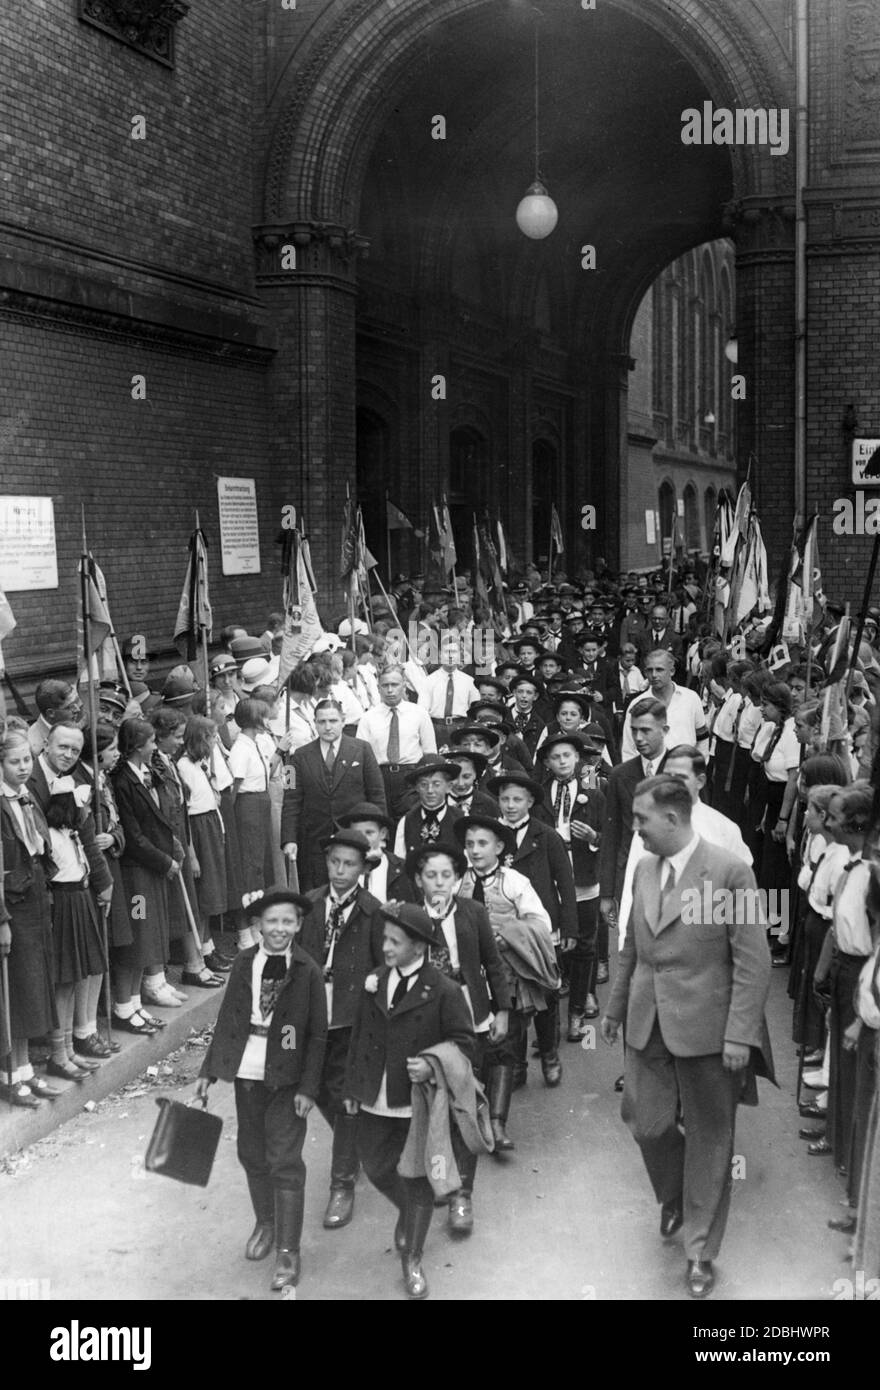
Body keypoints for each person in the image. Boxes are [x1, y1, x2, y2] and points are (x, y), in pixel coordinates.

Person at [602, 775, 773, 1299]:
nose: (636, 829)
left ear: (673, 819)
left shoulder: (729, 873)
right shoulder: (645, 871)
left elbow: (752, 961)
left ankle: (699, 1251)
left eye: (641, 820)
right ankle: (675, 1195)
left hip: (710, 1030)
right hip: (646, 1019)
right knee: (646, 1123)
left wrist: (740, 1033)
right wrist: (613, 1008)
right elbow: (631, 946)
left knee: (710, 1138)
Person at [196, 886, 327, 1292]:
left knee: (284, 1159)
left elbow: (317, 1036)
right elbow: (229, 1018)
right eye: (271, 921)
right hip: (249, 1073)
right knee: (252, 1152)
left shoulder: (307, 970)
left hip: (288, 1080)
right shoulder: (244, 963)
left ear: (299, 925)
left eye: (288, 921)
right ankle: (266, 1223)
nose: (279, 929)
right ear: (258, 924)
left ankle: (289, 1251)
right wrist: (208, 1072)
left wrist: (308, 1087)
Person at [343, 900, 475, 1299]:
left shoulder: (444, 990)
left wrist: (432, 1068)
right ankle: (408, 1211)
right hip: (374, 1095)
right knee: (375, 1164)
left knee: (416, 1179)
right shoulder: (375, 981)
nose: (386, 947)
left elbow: (466, 1044)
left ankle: (412, 1258)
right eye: (385, 939)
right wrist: (352, 1087)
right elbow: (359, 1035)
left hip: (415, 1099)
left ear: (419, 948)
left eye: (395, 942)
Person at [408, 843, 511, 1234]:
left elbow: (492, 963)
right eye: (431, 876)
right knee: (433, 1101)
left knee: (464, 1100)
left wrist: (501, 1010)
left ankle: (463, 1193)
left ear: (458, 879)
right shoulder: (411, 917)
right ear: (419, 879)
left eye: (446, 876)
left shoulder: (473, 912)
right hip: (424, 1017)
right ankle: (440, 1175)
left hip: (469, 1013)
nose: (438, 883)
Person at [298, 829, 384, 1230]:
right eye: (334, 861)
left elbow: (386, 963)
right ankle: (357, 1144)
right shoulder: (310, 905)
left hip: (353, 1017)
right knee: (315, 1089)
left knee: (347, 1096)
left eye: (350, 864)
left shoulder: (373, 911)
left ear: (364, 869)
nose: (340, 870)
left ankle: (341, 1183)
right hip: (315, 1017)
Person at [454, 815, 557, 1148]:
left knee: (506, 1045)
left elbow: (541, 924)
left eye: (482, 843)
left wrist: (508, 935)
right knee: (474, 1045)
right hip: (469, 977)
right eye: (469, 844)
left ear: (499, 847)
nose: (474, 850)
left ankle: (498, 1124)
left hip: (507, 974)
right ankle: (475, 1114)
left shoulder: (513, 881)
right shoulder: (458, 882)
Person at [0, 725, 60, 1106]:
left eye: (26, 760)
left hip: (35, 897)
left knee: (34, 986)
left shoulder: (26, 796)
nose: (23, 767)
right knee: (16, 989)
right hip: (13, 906)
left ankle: (25, 1070)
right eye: (13, 761)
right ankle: (11, 1075)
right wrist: (2, 920)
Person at [113, 717, 185, 1018]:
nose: (155, 746)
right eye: (152, 742)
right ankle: (126, 1004)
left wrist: (171, 847)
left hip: (151, 868)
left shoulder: (146, 773)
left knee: (151, 930)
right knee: (138, 932)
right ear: (137, 747)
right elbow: (134, 836)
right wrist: (163, 860)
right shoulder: (122, 781)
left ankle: (140, 998)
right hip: (136, 872)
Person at [535, 736, 605, 1038]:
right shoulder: (539, 796)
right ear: (547, 763)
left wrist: (593, 838)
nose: (562, 761)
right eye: (555, 757)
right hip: (549, 878)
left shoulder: (594, 793)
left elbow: (608, 837)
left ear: (577, 758)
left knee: (585, 942)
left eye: (567, 755)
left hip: (582, 875)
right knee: (553, 941)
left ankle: (578, 1009)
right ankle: (550, 1020)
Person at [280, 697, 386, 891]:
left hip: (354, 837)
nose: (327, 727)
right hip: (315, 842)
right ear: (315, 723)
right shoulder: (298, 756)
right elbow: (291, 801)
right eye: (322, 722)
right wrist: (289, 839)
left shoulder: (362, 750)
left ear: (343, 720)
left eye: (333, 721)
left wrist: (379, 837)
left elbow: (377, 794)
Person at [599, 698, 669, 928]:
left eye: (646, 731)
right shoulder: (620, 775)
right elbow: (611, 835)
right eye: (634, 730)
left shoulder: (682, 771)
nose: (638, 738)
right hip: (630, 876)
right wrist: (607, 894)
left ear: (664, 730)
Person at [176, 716, 233, 976]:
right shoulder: (184, 767)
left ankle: (208, 947)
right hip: (198, 829)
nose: (214, 743)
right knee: (203, 895)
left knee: (212, 895)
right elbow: (185, 813)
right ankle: (197, 955)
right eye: (211, 738)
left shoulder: (199, 765)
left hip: (211, 824)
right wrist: (193, 854)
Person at [356, 667, 437, 820]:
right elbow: (362, 757)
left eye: (395, 685)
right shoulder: (368, 718)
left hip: (411, 777)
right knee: (383, 822)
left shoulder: (419, 714)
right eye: (385, 686)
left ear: (404, 685)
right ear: (378, 688)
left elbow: (430, 753)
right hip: (380, 777)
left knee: (411, 823)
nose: (390, 690)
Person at [620, 650, 708, 761]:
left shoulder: (691, 698)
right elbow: (629, 748)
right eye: (649, 670)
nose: (654, 675)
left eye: (659, 670)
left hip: (685, 771)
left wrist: (699, 767)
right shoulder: (637, 704)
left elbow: (702, 738)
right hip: (650, 774)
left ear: (672, 671)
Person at [335, 801, 414, 903]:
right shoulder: (339, 869)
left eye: (369, 833)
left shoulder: (401, 868)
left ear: (383, 833)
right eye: (357, 833)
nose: (363, 839)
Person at [392, 757, 463, 859]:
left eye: (436, 784)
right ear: (416, 788)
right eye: (423, 784)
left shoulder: (460, 819)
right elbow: (399, 861)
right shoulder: (407, 821)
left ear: (449, 787)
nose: (430, 790)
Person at [418, 633, 479, 740]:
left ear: (460, 655)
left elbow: (476, 710)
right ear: (440, 654)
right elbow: (422, 711)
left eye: (454, 652)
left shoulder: (469, 682)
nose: (450, 656)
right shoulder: (428, 681)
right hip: (436, 729)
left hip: (461, 728)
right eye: (446, 652)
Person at [27, 680, 82, 756]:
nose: (77, 709)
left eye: (76, 702)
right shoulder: (32, 747)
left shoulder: (78, 724)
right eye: (70, 707)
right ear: (51, 713)